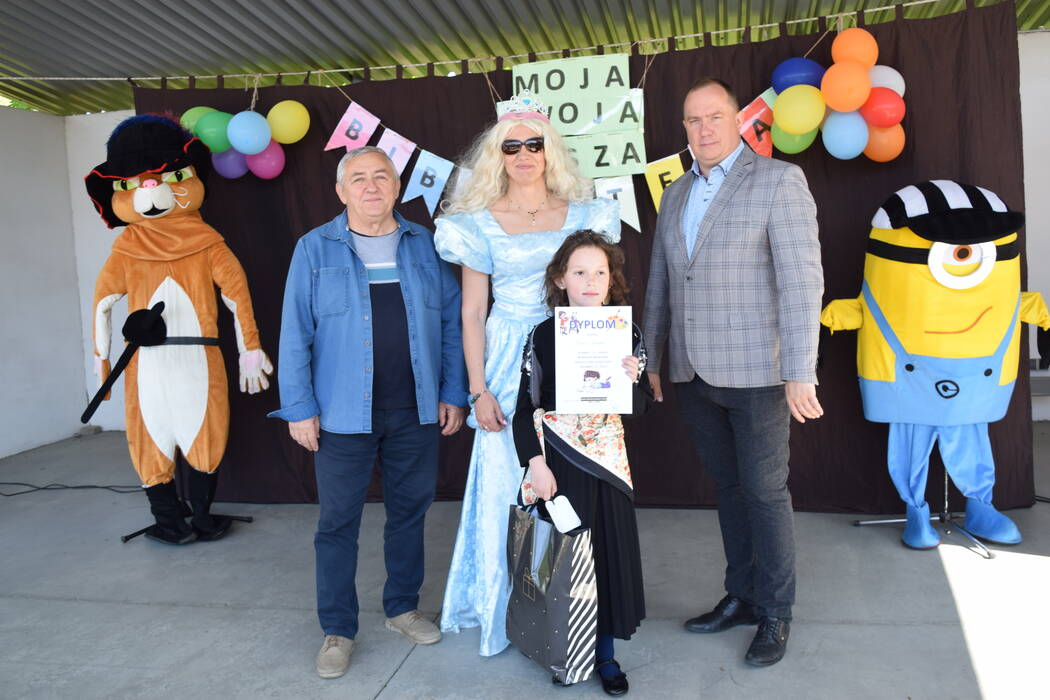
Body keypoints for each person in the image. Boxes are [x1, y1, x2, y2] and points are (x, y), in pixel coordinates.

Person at [642, 78, 824, 667]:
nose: (704, 129)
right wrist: (652, 356)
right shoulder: (675, 193)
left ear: (738, 120)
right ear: (684, 129)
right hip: (692, 370)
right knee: (728, 489)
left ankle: (775, 610)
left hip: (760, 371)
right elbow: (661, 280)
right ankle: (742, 595)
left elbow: (802, 282)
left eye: (714, 116)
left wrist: (800, 369)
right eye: (693, 120)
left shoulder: (779, 181)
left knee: (765, 492)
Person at [434, 91, 621, 656]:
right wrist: (478, 390)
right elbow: (472, 312)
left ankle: (574, 606)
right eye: (510, 146)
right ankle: (506, 606)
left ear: (549, 150)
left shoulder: (585, 214)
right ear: (497, 155)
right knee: (506, 479)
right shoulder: (477, 223)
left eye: (532, 144)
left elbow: (602, 289)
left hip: (574, 353)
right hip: (505, 355)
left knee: (573, 474)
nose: (522, 154)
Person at [269, 146, 467, 679]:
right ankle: (338, 629)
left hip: (416, 408)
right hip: (340, 414)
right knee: (337, 522)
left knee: (409, 513)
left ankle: (402, 608)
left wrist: (454, 391)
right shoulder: (314, 248)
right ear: (341, 191)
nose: (371, 186)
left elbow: (452, 324)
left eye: (382, 176)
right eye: (358, 178)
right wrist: (300, 408)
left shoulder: (425, 244)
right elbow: (294, 332)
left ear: (397, 187)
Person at [513, 230, 649, 696]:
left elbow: (639, 408)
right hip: (559, 463)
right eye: (580, 272)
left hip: (607, 464)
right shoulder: (542, 335)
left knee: (603, 559)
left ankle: (605, 656)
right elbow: (523, 409)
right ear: (560, 279)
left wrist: (633, 379)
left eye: (600, 272)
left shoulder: (627, 333)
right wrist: (536, 464)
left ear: (611, 280)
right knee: (565, 561)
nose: (591, 281)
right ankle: (565, 650)